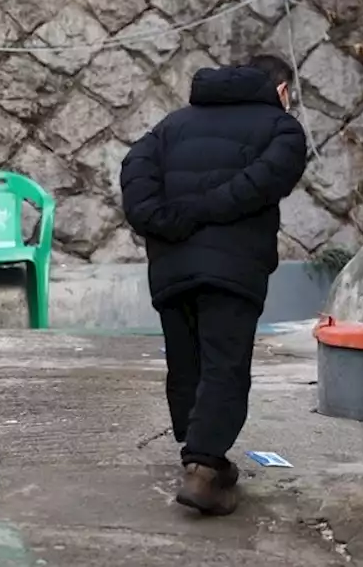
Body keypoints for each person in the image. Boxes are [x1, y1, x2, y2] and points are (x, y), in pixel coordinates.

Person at [119, 54, 308, 516]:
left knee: (188, 363)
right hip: (234, 269)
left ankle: (200, 453)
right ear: (282, 90)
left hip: (172, 266)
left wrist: (168, 219)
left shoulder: (169, 126)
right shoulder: (282, 128)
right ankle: (203, 467)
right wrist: (206, 210)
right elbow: (262, 183)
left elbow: (133, 172)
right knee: (225, 365)